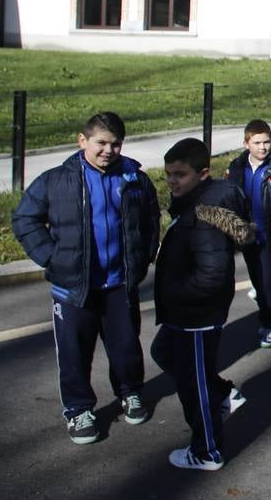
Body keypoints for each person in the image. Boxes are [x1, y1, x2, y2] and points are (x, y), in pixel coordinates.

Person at [11, 111, 160, 445]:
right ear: (83, 141)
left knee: (126, 347)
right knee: (74, 352)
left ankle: (130, 392)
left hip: (119, 284)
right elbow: (24, 219)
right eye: (101, 143)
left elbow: (150, 217)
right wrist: (52, 259)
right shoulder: (55, 180)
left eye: (116, 144)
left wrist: (145, 256)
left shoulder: (135, 178)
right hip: (74, 288)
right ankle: (78, 410)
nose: (108, 150)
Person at [152, 138, 253, 470]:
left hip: (195, 316)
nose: (172, 181)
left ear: (203, 173)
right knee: (163, 352)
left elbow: (212, 275)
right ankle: (223, 394)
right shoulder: (193, 203)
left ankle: (207, 451)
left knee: (193, 387)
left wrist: (174, 292)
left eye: (180, 174)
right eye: (168, 174)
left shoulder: (203, 214)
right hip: (184, 313)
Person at [225, 119, 271, 348]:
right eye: (257, 143)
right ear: (246, 144)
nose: (263, 147)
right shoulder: (237, 167)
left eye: (267, 142)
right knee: (258, 281)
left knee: (269, 281)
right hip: (248, 236)